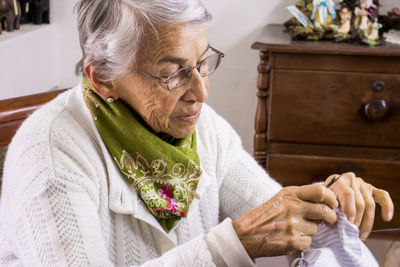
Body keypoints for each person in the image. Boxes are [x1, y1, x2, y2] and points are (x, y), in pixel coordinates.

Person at [0, 0, 394, 266]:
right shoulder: (50, 153)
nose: (201, 93)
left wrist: (329, 202)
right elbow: (248, 233)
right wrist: (232, 244)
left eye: (202, 62)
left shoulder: (200, 129)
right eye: (172, 73)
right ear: (103, 78)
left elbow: (275, 212)